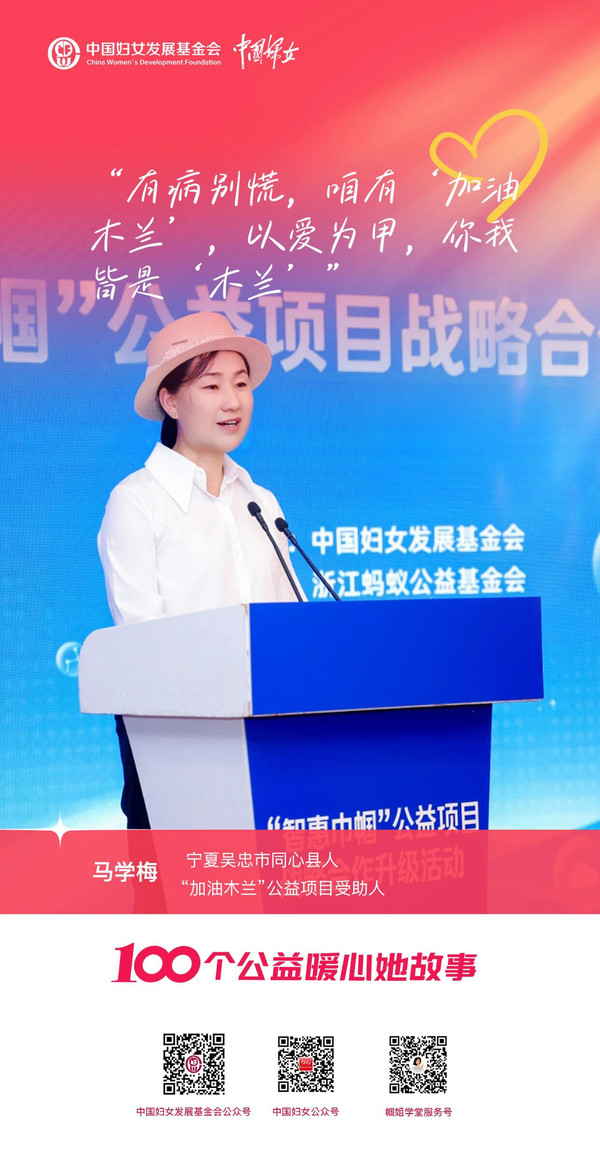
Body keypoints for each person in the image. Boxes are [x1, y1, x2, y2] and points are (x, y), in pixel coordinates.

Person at [98, 311, 304, 827]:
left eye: (241, 384)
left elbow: (294, 621)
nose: (232, 401)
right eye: (211, 386)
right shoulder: (136, 502)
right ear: (170, 401)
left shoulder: (261, 501)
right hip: (176, 747)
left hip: (272, 741)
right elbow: (142, 640)